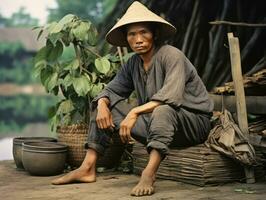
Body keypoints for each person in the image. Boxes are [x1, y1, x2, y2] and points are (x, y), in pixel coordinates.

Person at [52, 1, 214, 197]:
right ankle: (87, 168)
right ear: (127, 39)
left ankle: (148, 174)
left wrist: (134, 111)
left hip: (192, 124)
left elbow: (170, 99)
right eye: (132, 34)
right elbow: (110, 91)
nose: (138, 39)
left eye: (143, 32)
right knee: (104, 106)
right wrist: (103, 103)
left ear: (154, 34)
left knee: (163, 110)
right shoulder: (133, 64)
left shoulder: (171, 55)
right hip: (158, 125)